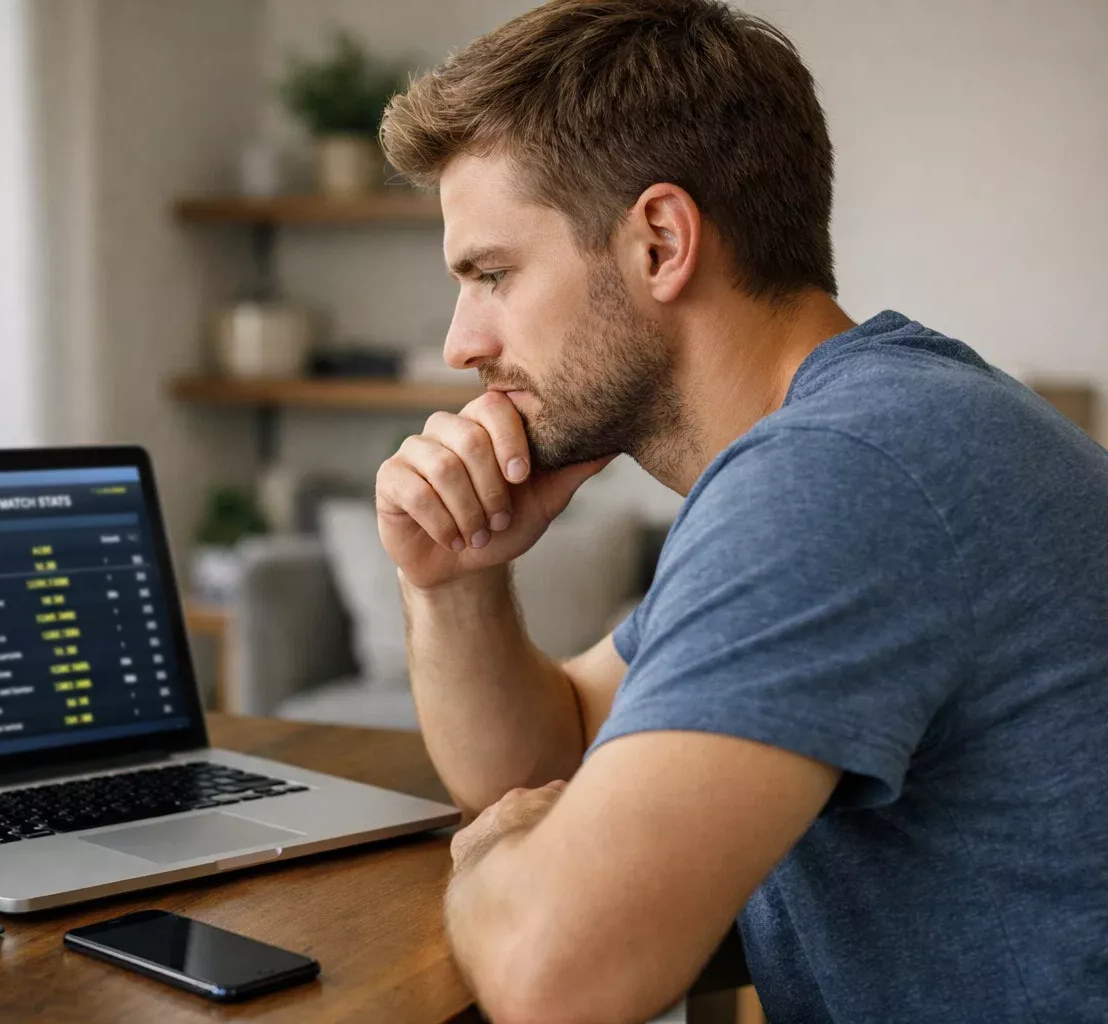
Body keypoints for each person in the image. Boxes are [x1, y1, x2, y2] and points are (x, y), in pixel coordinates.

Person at [374, 1, 1108, 1022]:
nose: (462, 343)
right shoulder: (877, 426)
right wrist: (451, 580)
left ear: (662, 242)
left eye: (492, 273)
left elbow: (557, 975)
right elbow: (565, 742)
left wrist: (500, 851)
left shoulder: (841, 474)